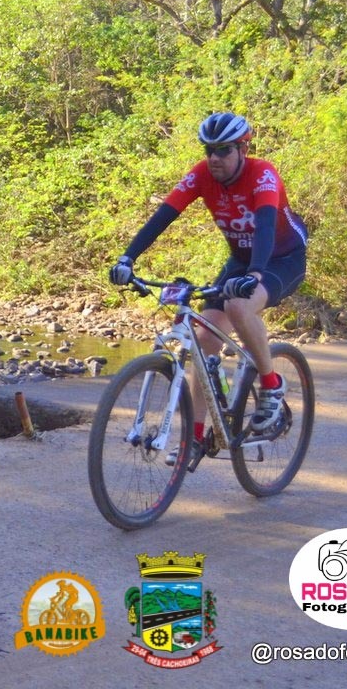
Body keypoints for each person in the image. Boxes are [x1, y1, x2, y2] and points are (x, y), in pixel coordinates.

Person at [108, 112, 308, 464]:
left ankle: (271, 384)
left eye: (224, 150)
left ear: (243, 148)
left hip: (281, 258)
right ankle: (196, 438)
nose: (214, 158)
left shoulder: (262, 174)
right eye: (209, 150)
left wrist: (256, 274)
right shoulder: (202, 175)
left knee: (238, 307)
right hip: (241, 261)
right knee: (204, 340)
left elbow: (264, 226)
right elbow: (163, 216)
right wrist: (127, 258)